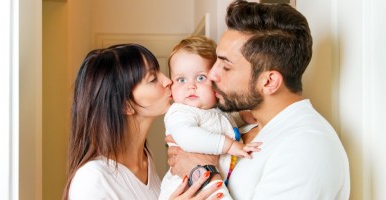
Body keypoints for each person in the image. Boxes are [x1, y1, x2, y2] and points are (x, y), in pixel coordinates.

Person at [167, 1, 350, 199]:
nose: (211, 75)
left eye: (226, 67)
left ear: (269, 82)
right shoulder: (239, 126)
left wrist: (201, 171)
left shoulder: (307, 148)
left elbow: (201, 169)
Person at [62, 44, 223, 200]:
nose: (168, 81)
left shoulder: (146, 159)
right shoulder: (92, 179)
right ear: (126, 105)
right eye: (153, 79)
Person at [159, 36, 262, 200]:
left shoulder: (216, 109)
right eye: (181, 79)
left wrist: (243, 116)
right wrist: (229, 146)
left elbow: (224, 121)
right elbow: (188, 137)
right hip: (188, 186)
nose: (190, 86)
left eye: (200, 78)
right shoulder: (179, 112)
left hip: (208, 177)